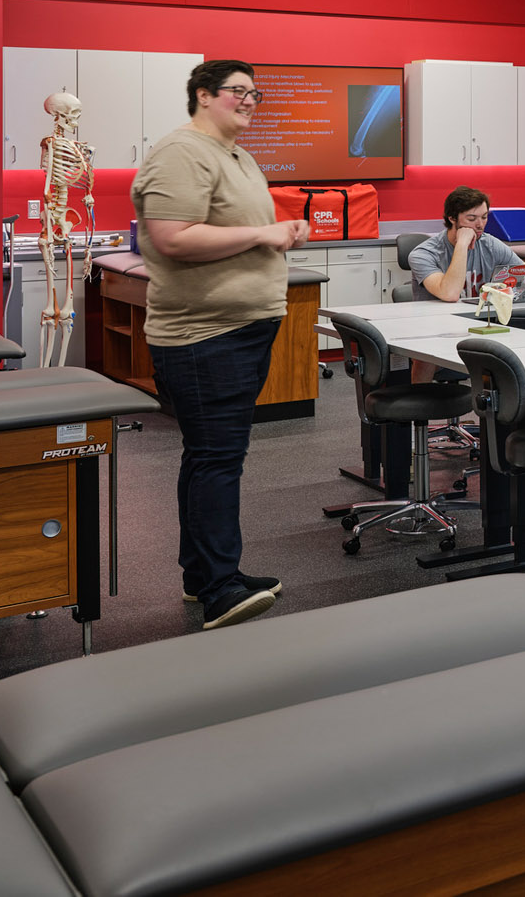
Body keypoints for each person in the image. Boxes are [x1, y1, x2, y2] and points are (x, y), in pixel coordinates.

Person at [133, 59, 308, 630]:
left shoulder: (238, 155)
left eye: (255, 92)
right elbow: (172, 237)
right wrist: (264, 233)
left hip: (241, 328)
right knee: (217, 459)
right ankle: (218, 589)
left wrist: (281, 235)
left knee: (210, 456)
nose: (250, 100)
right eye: (238, 91)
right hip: (205, 336)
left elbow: (226, 232)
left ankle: (203, 573)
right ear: (203, 96)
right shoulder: (182, 152)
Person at [410, 186, 517, 301]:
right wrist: (461, 244)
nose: (480, 225)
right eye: (471, 219)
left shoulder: (490, 245)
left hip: (481, 317)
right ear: (452, 218)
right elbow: (450, 294)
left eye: (484, 217)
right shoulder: (423, 254)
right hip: (438, 317)